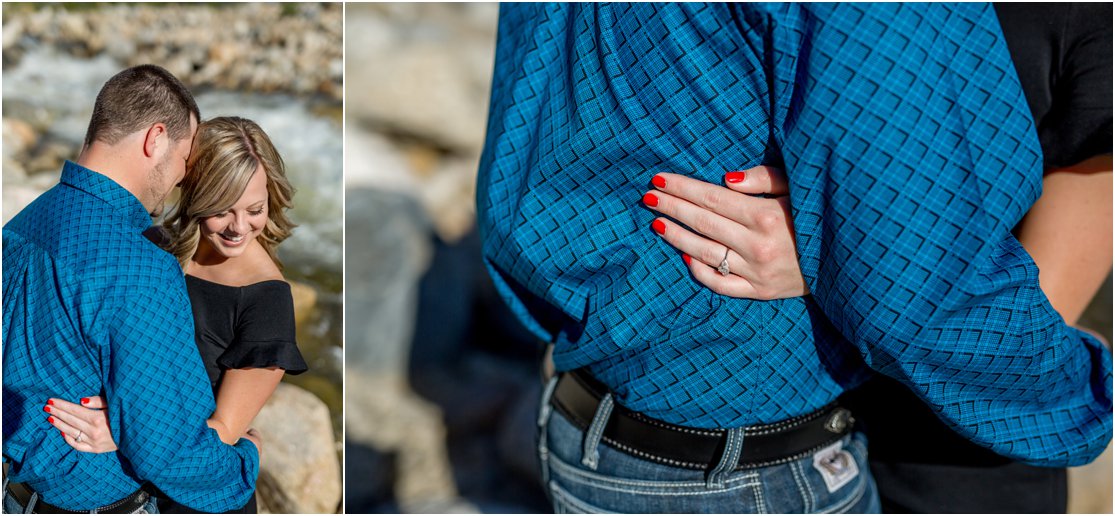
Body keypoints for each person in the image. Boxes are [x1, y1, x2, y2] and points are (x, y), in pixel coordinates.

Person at [476, 3, 1112, 513]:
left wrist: (838, 246)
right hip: (749, 462)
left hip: (608, 420)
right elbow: (919, 291)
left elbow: (523, 146)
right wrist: (1084, 390)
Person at [2, 65, 259, 513]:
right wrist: (244, 461)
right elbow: (169, 449)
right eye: (184, 158)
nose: (181, 176)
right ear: (154, 138)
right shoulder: (139, 268)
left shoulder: (23, 224)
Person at [40, 117, 310, 513]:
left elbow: (223, 432)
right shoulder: (154, 245)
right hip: (131, 485)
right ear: (195, 194)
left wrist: (121, 431)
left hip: (198, 495)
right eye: (222, 210)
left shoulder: (267, 300)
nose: (239, 228)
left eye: (255, 209)